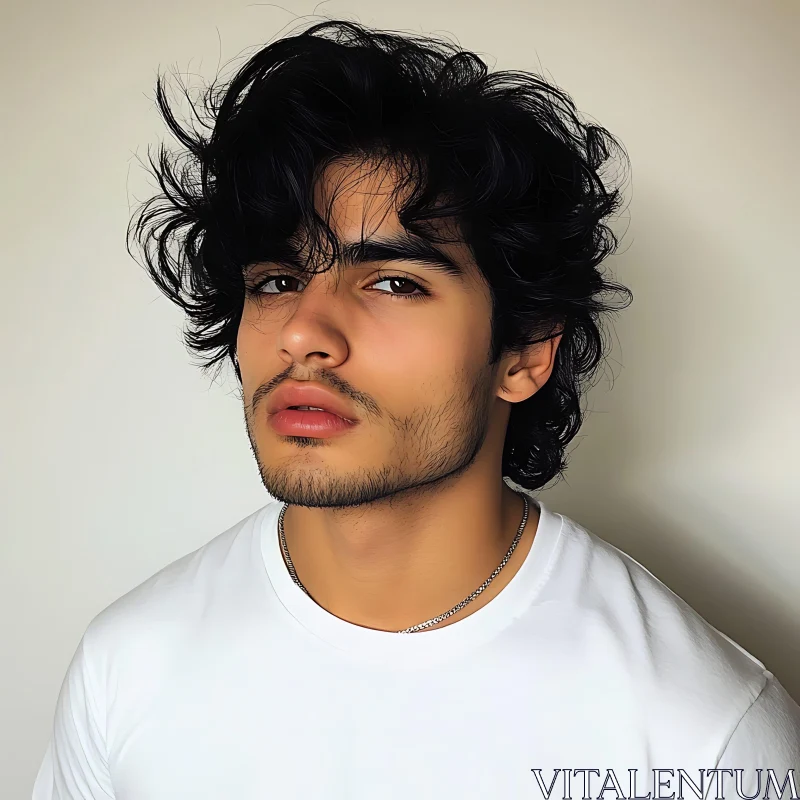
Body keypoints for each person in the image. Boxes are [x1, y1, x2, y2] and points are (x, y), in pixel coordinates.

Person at [33, 19, 800, 800]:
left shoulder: (706, 740)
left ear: (526, 352)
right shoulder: (128, 666)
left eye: (393, 282)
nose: (302, 330)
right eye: (274, 280)